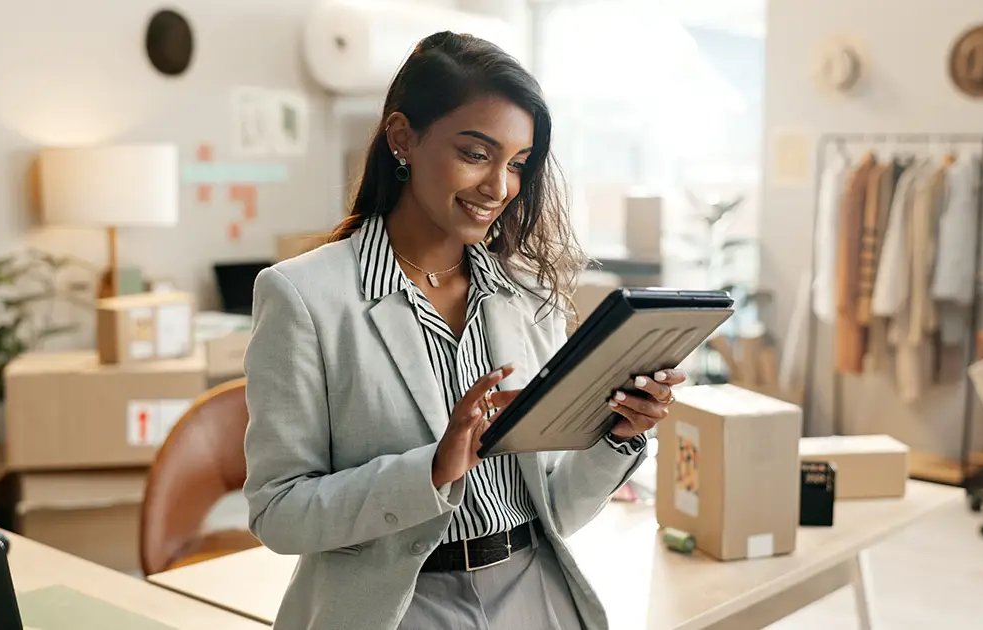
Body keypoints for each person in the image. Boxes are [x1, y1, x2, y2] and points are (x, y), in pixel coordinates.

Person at [243, 31, 685, 630]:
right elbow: (279, 512)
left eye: (518, 164)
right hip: (396, 608)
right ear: (402, 138)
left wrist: (618, 437)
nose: (499, 187)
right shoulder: (304, 296)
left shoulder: (529, 295)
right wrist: (432, 469)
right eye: (477, 154)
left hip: (534, 595)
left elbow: (553, 507)